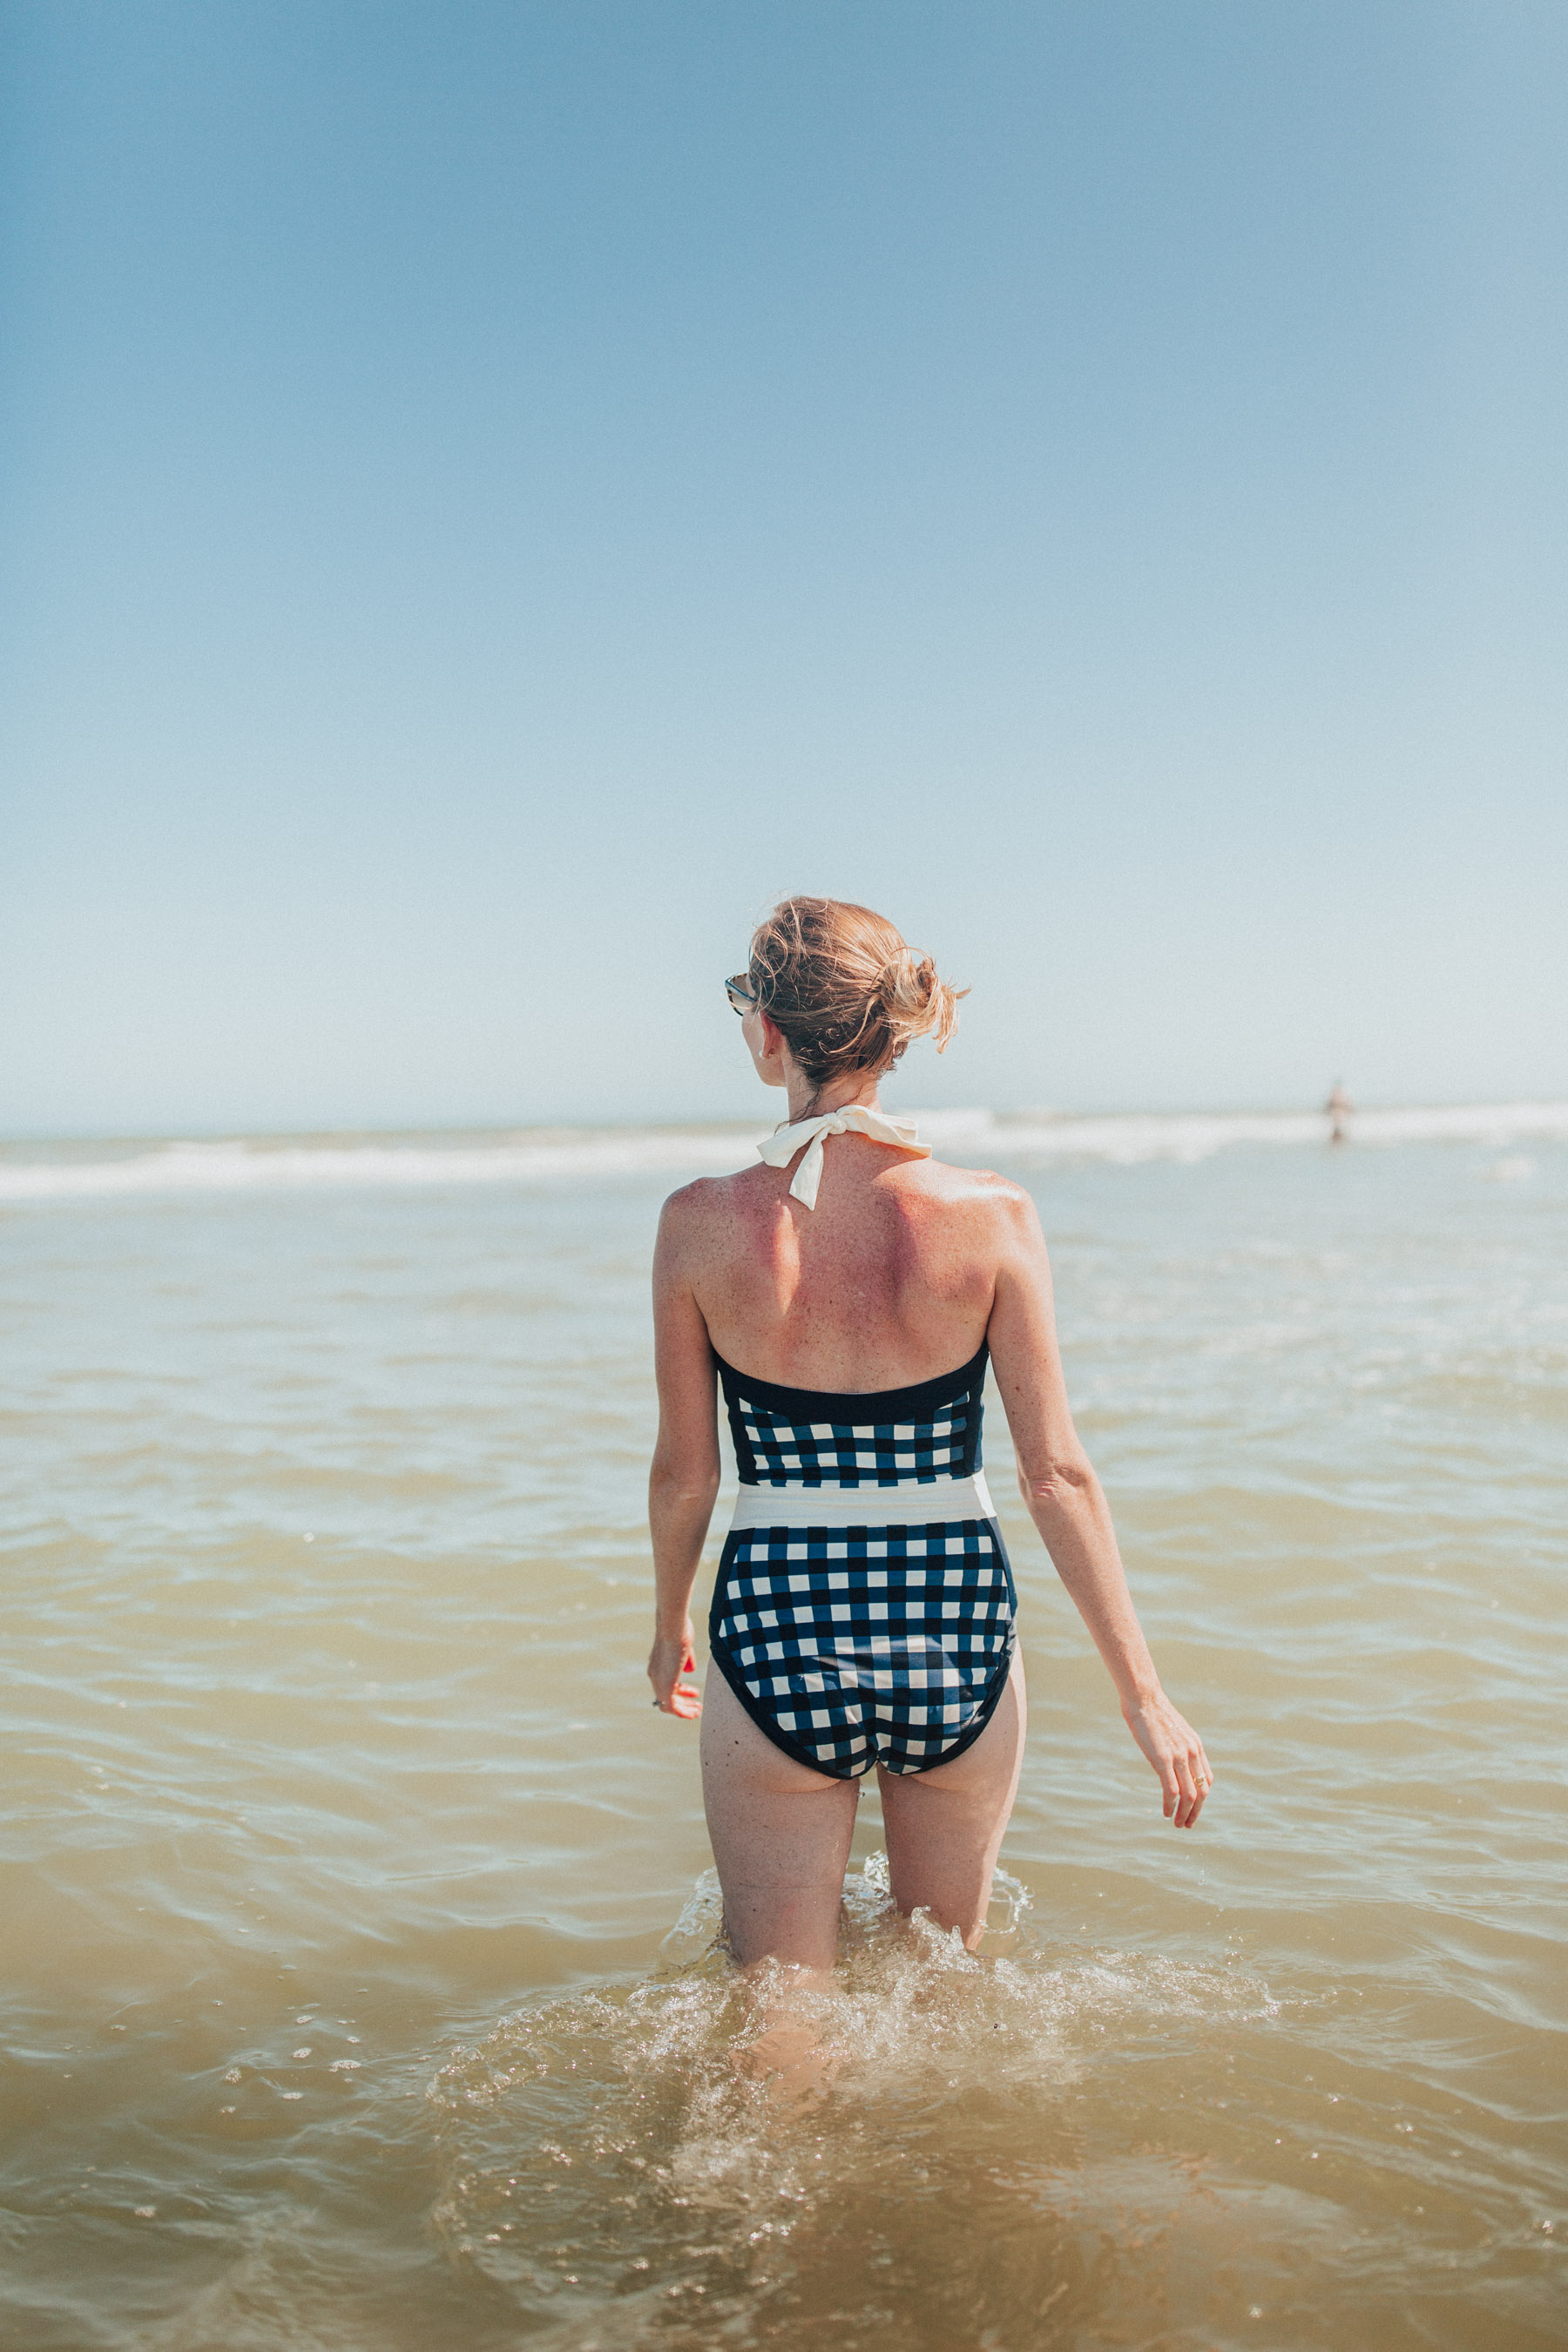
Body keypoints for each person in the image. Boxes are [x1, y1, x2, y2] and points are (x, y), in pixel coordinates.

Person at [646, 895, 1211, 1993]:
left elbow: (688, 1475)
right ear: (892, 1033)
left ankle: (749, 2170)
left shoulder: (699, 1224)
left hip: (776, 1626)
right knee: (943, 1991)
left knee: (779, 2010)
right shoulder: (991, 1215)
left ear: (769, 1032)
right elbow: (1056, 1473)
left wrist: (669, 1623)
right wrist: (1146, 1697)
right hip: (954, 1624)